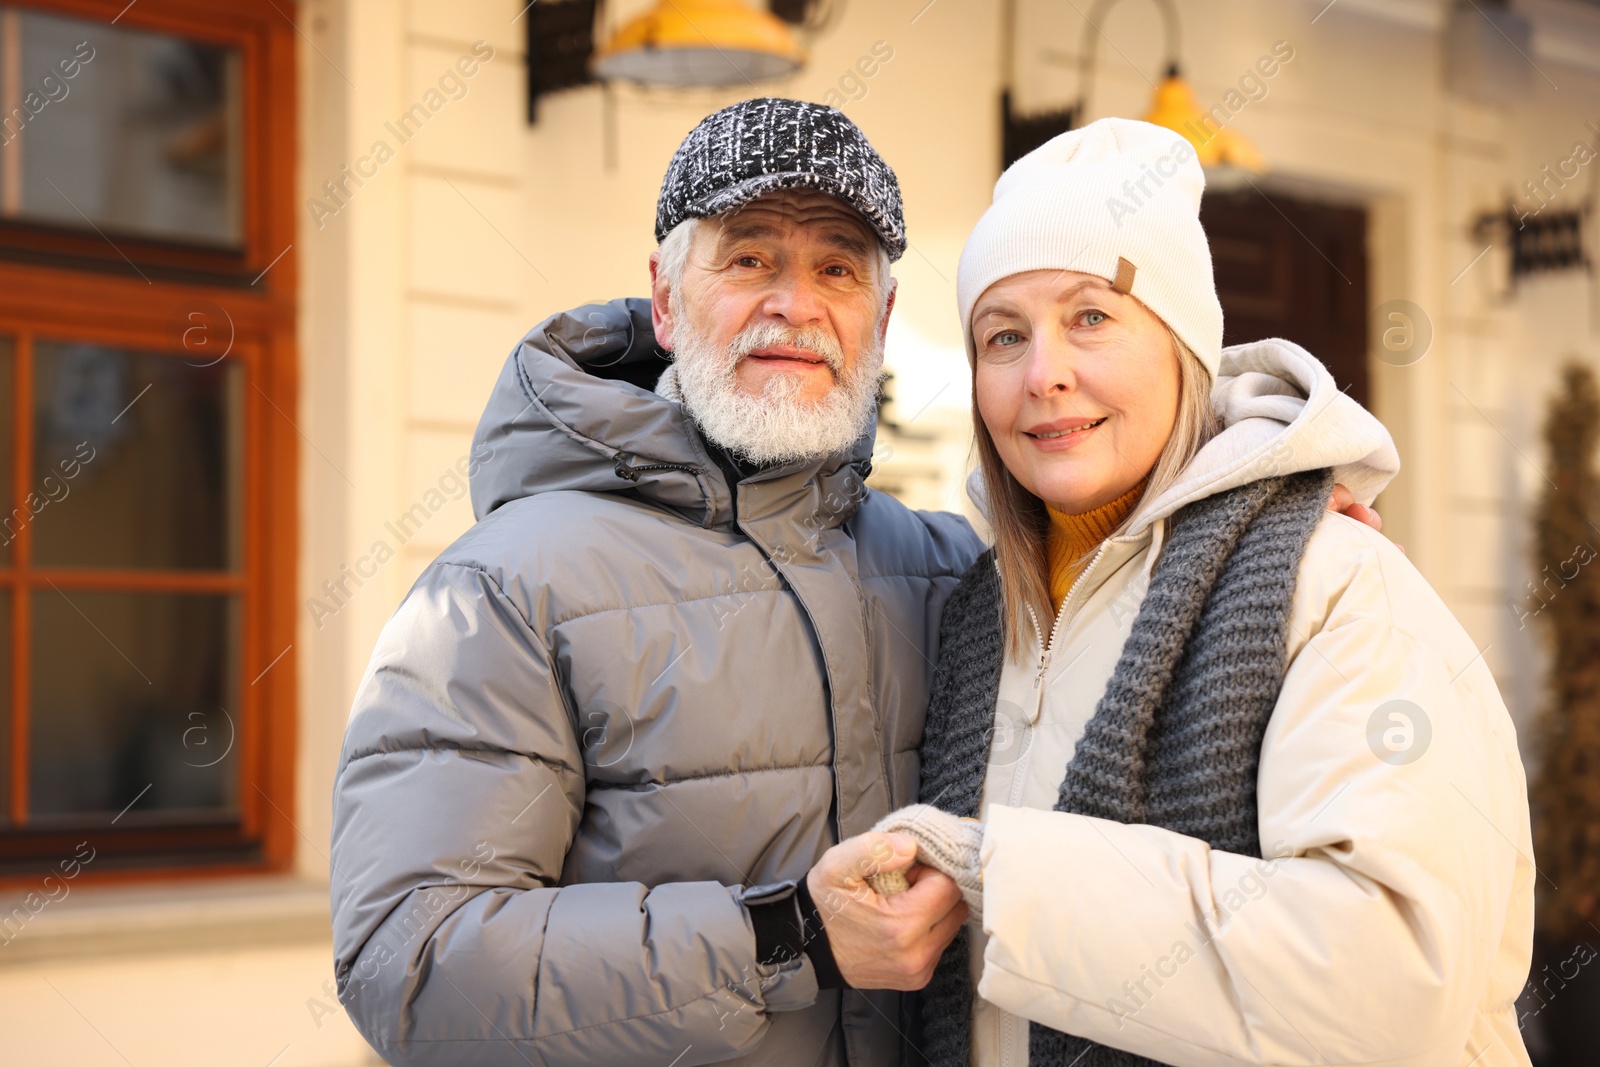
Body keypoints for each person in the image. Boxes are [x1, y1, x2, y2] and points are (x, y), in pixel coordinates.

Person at [329, 99, 1384, 1067]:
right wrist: (778, 936)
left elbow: (1114, 587)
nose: (794, 305)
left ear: (879, 321)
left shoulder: (952, 577)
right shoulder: (501, 590)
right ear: (662, 297)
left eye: (838, 269)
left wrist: (1247, 517)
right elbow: (405, 960)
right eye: (748, 259)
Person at [842, 118, 1534, 1067]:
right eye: (1004, 336)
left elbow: (1389, 984)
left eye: (1092, 316)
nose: (1044, 372)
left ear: (1183, 349)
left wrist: (1001, 876)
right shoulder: (980, 618)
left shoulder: (1335, 585)